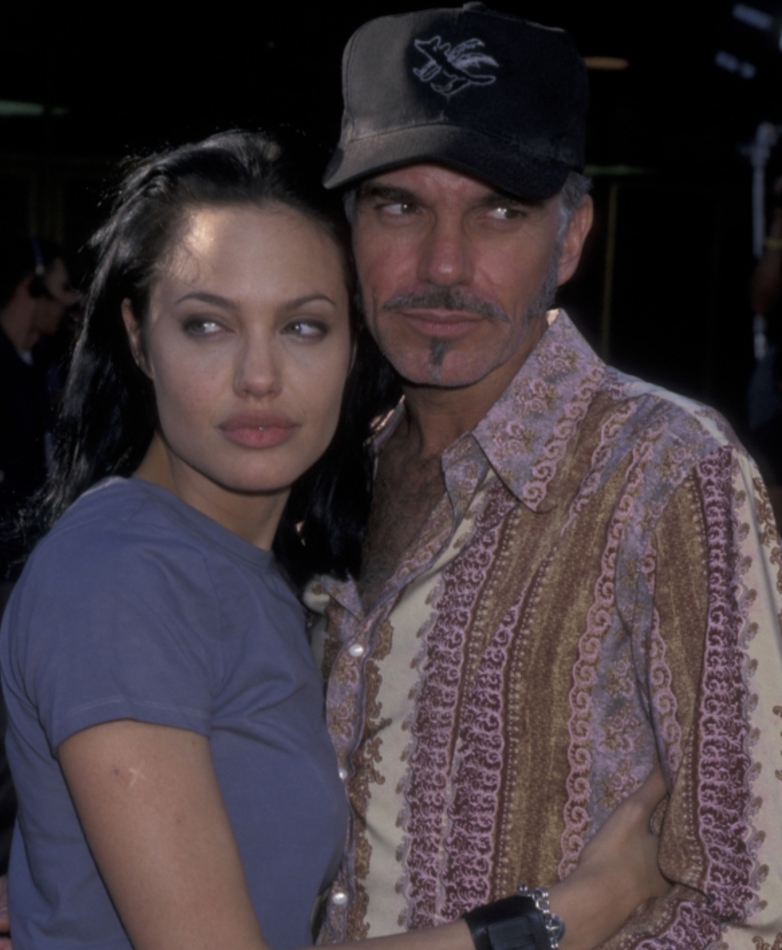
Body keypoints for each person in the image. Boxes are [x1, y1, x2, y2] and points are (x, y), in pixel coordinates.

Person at [0, 129, 668, 950]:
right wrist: (577, 907)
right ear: (138, 337)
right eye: (207, 325)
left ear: (353, 345)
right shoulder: (123, 574)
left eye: (303, 327)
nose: (260, 376)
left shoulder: (256, 573)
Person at [301, 6, 782, 948]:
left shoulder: (668, 473)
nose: (442, 265)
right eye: (399, 205)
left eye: (500, 210)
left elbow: (748, 907)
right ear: (349, 232)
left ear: (570, 239)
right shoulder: (316, 471)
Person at [0, 236, 76, 889]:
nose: (68, 303)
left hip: (32, 572)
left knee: (24, 733)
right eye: (61, 290)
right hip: (0, 574)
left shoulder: (35, 364)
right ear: (29, 290)